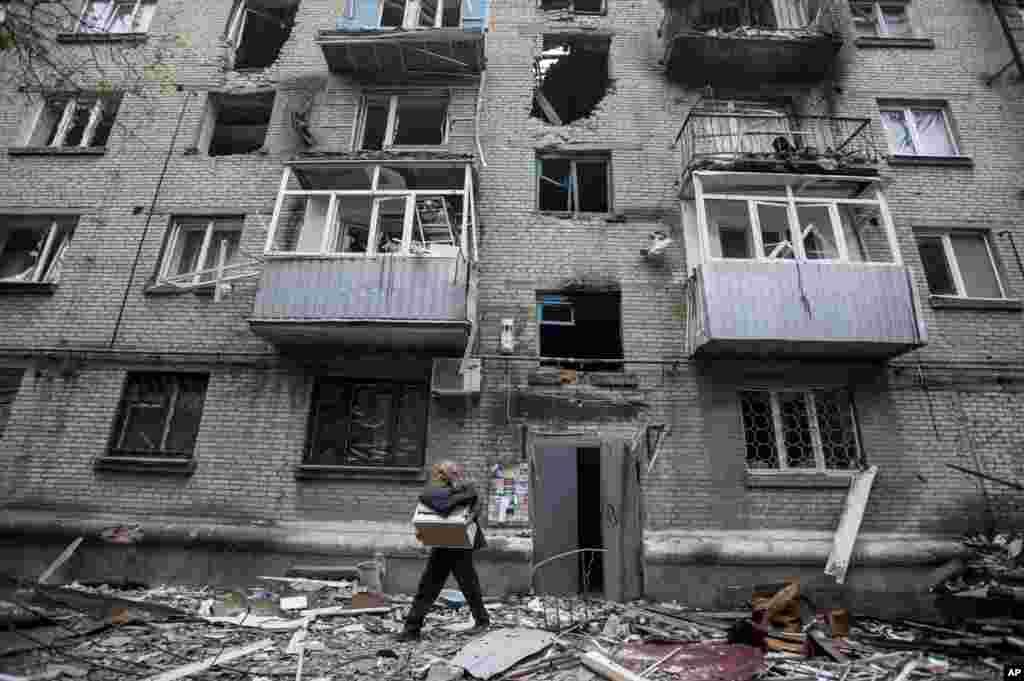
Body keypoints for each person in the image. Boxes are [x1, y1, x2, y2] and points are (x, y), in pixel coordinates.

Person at [396, 461, 490, 642]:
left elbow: (474, 504)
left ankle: (412, 629)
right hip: (445, 542)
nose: (457, 474)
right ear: (442, 473)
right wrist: (462, 494)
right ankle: (412, 629)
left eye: (458, 472)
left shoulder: (464, 487)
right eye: (453, 472)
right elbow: (439, 504)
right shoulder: (438, 488)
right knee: (434, 585)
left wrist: (466, 497)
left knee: (460, 584)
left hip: (459, 543)